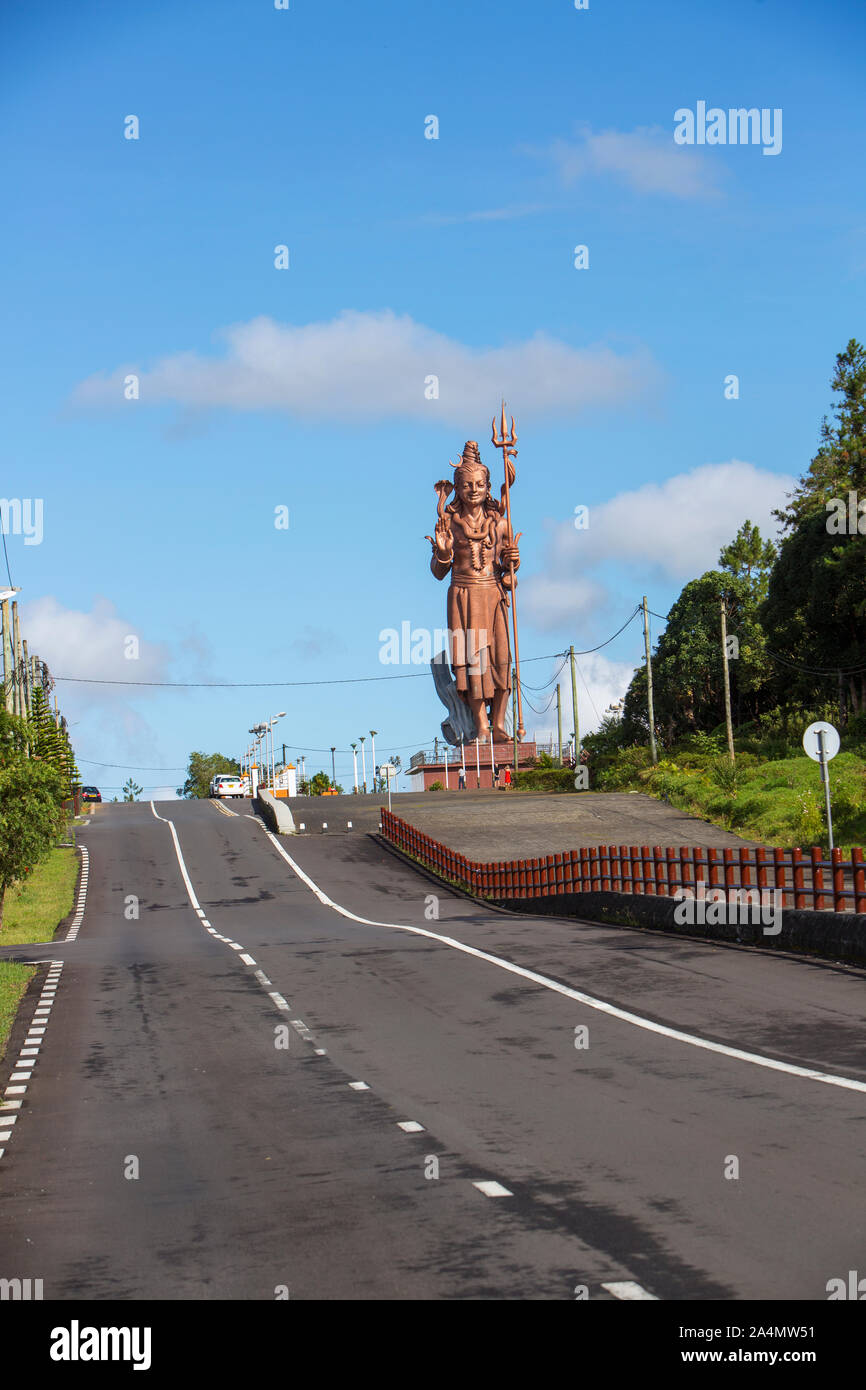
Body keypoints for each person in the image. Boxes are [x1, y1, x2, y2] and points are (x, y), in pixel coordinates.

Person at [427, 442, 520, 744]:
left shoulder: (501, 523)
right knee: (473, 663)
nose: (474, 489)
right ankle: (481, 725)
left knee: (501, 659)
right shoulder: (449, 523)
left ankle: (500, 723)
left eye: (480, 484)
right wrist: (442, 552)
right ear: (457, 488)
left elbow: (509, 575)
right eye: (466, 485)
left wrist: (512, 564)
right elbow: (439, 572)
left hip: (493, 595)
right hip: (464, 596)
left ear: (488, 486)